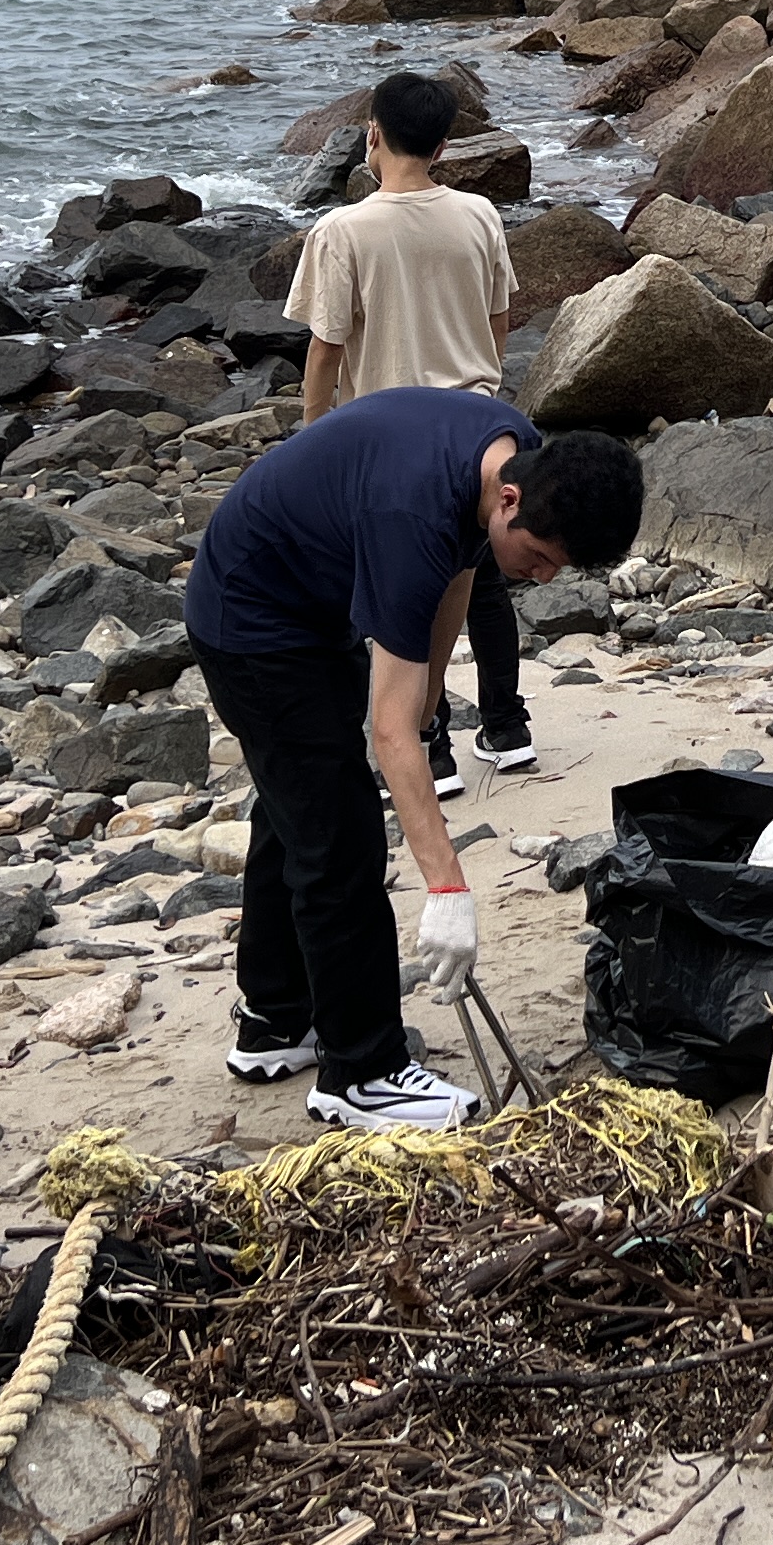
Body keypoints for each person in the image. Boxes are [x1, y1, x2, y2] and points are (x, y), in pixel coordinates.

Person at [189, 387, 642, 1128]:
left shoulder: (511, 449)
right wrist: (448, 890)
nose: (542, 579)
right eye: (536, 558)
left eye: (558, 569)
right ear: (511, 498)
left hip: (303, 597)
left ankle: (276, 1019)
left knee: (297, 804)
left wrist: (431, 682)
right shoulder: (412, 515)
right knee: (341, 837)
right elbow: (391, 738)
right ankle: (361, 1073)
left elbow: (460, 570)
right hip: (250, 620)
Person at [288, 70, 534, 790]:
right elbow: (498, 321)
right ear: (443, 145)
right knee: (479, 579)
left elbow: (326, 352)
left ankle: (427, 741)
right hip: (480, 420)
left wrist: (311, 444)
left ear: (372, 136)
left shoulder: (342, 231)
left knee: (397, 595)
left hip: (391, 437)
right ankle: (506, 724)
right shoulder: (480, 215)